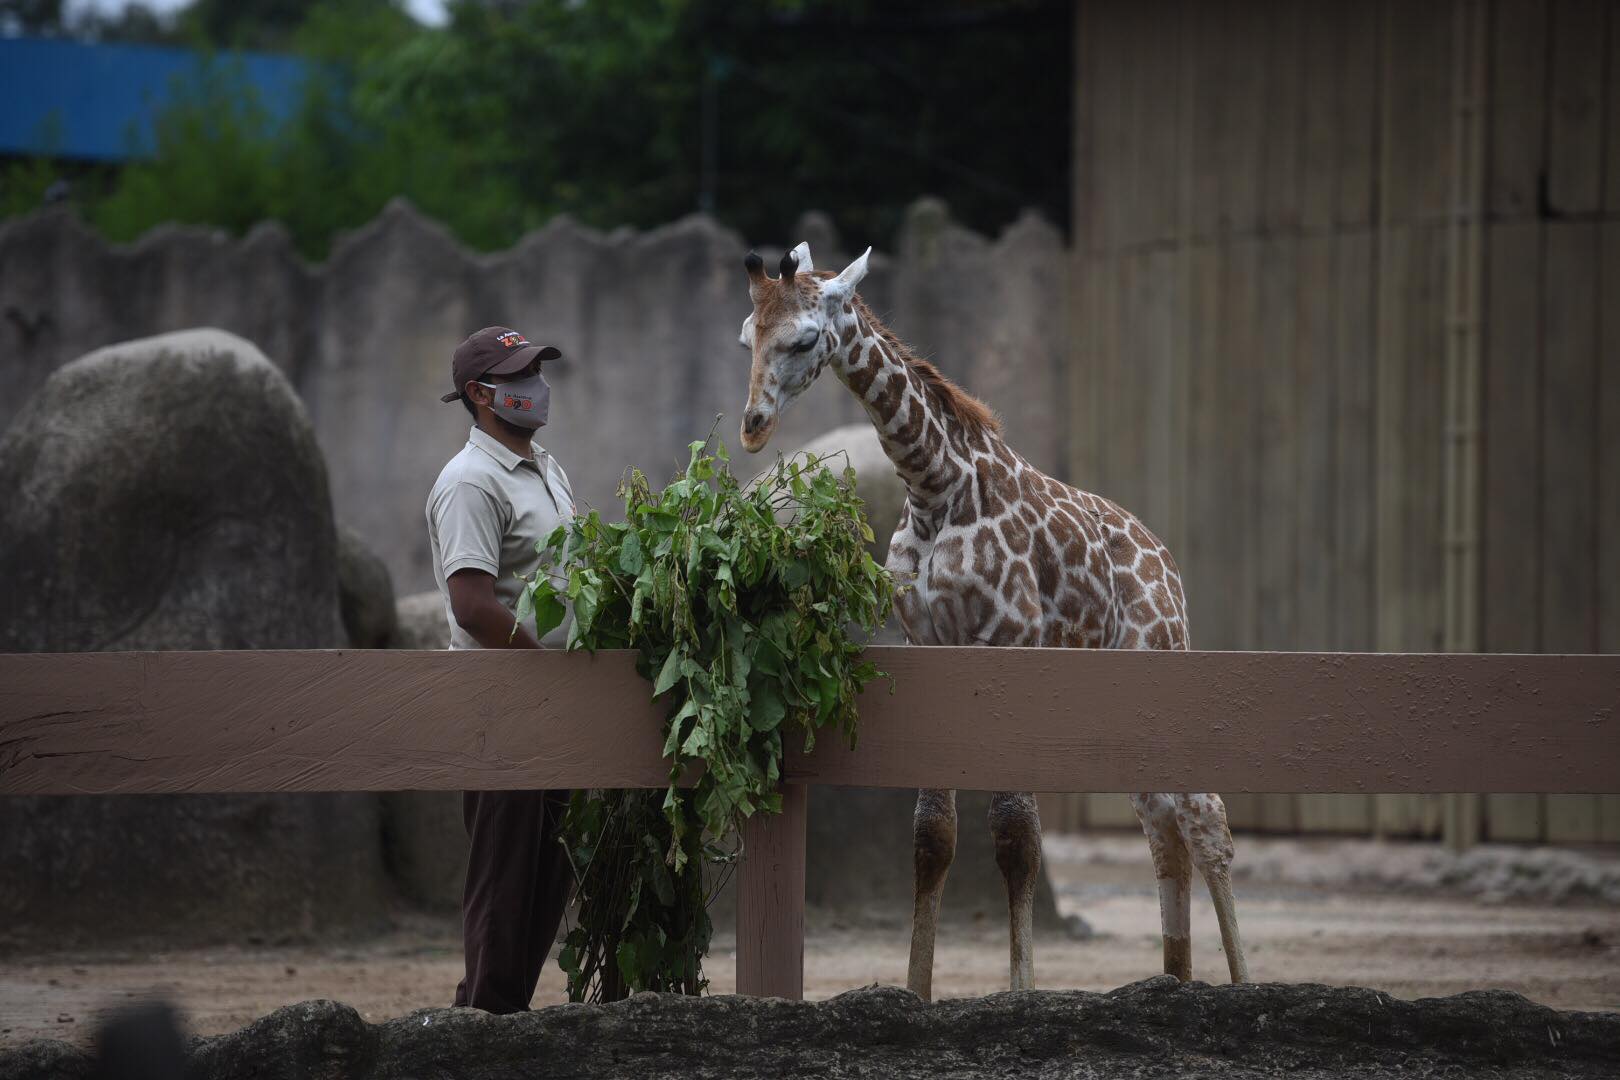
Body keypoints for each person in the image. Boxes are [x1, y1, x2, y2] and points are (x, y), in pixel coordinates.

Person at [426, 325, 577, 1013]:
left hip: (551, 705)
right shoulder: (468, 483)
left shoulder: (546, 467)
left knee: (547, 878)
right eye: (518, 377)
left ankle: (497, 1017)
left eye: (535, 372)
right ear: (481, 395)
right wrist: (547, 671)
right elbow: (473, 605)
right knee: (504, 877)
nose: (536, 387)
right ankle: (481, 1026)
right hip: (502, 702)